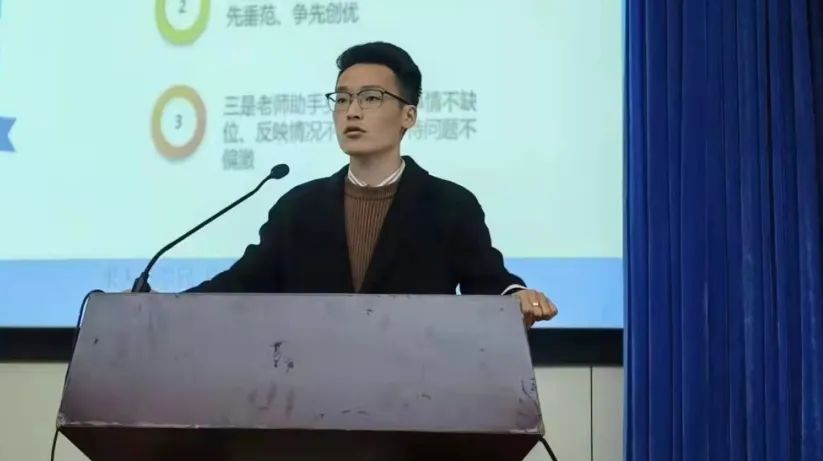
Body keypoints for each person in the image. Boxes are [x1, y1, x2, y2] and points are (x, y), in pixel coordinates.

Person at [189, 42, 558, 326]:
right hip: (312, 388)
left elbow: (488, 281)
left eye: (370, 98)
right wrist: (164, 307)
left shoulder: (448, 204)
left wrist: (516, 296)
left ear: (408, 115)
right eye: (342, 98)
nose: (352, 111)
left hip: (416, 389)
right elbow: (244, 282)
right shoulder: (300, 207)